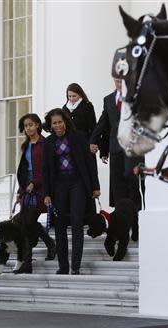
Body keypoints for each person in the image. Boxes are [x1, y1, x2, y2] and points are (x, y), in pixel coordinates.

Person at [42, 108, 100, 275]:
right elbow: (45, 170)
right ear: (50, 125)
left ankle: (75, 266)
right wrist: (46, 193)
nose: (58, 125)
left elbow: (90, 162)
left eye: (60, 122)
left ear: (65, 121)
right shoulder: (48, 142)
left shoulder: (78, 137)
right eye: (54, 123)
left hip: (78, 183)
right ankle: (63, 266)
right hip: (58, 185)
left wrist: (95, 187)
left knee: (76, 222)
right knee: (59, 226)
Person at [90, 79, 144, 241]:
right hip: (115, 148)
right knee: (118, 186)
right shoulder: (108, 99)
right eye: (117, 79)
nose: (120, 82)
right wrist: (94, 140)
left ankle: (137, 220)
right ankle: (122, 222)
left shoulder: (137, 97)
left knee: (131, 178)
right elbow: (103, 123)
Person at [14, 113, 56, 274]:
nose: (28, 128)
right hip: (27, 189)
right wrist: (20, 190)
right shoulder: (25, 146)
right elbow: (23, 170)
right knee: (26, 223)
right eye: (26, 126)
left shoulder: (45, 144)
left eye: (31, 124)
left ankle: (31, 258)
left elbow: (46, 169)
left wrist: (34, 183)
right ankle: (35, 255)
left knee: (27, 221)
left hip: (41, 189)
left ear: (38, 125)